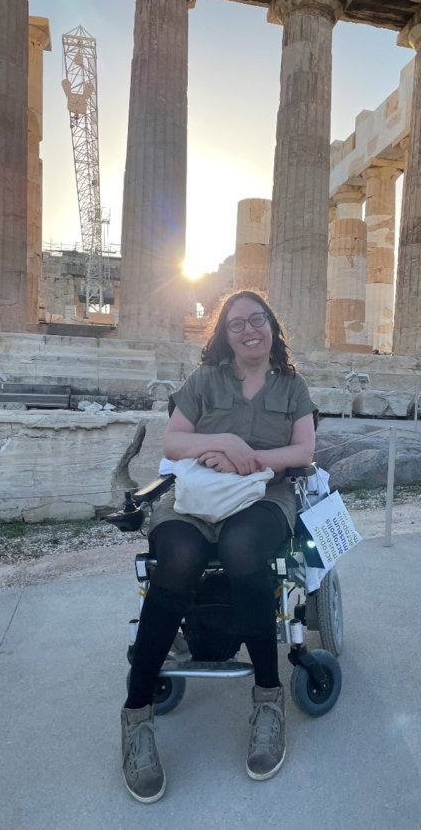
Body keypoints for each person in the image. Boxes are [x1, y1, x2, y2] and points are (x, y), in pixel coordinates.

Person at [120, 290, 316, 802]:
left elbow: (304, 450)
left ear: (272, 325)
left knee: (243, 551)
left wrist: (246, 458)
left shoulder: (293, 387)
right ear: (224, 335)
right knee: (178, 558)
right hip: (195, 497)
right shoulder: (205, 380)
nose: (249, 330)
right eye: (236, 325)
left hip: (265, 495)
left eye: (258, 319)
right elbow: (173, 442)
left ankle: (268, 699)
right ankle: (136, 716)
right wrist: (222, 444)